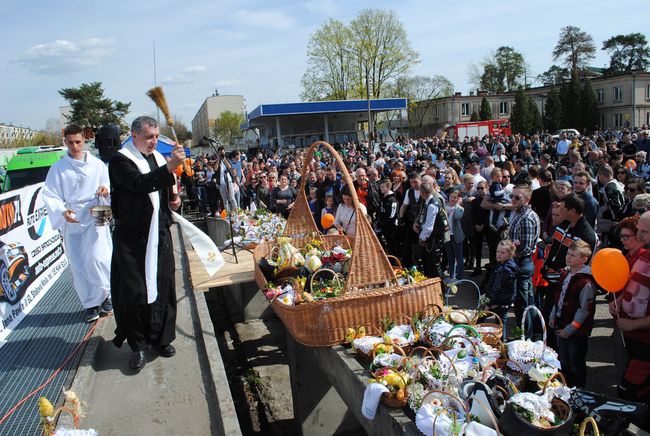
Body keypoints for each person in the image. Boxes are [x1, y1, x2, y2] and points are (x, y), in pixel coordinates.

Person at [109, 116, 185, 371]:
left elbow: (166, 195)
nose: (154, 141)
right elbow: (140, 184)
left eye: (155, 136)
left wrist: (175, 201)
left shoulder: (158, 158)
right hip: (134, 239)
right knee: (137, 293)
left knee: (164, 285)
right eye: (149, 136)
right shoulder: (121, 161)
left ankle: (162, 339)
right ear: (134, 136)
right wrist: (171, 166)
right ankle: (138, 346)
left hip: (159, 233)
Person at [42, 124, 112, 323]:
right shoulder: (58, 168)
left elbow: (107, 183)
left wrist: (104, 190)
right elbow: (50, 194)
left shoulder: (97, 164)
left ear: (84, 141)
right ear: (65, 142)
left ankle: (106, 294)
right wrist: (62, 211)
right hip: (73, 218)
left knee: (101, 258)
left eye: (78, 142)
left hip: (96, 214)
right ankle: (91, 303)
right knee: (80, 263)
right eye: (71, 142)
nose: (75, 146)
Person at [609, 212, 650, 427]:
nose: (639, 236)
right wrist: (621, 300)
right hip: (630, 337)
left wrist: (634, 324)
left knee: (631, 393)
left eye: (643, 231)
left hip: (645, 343)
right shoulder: (643, 255)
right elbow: (633, 284)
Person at [549, 239, 596, 388]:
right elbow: (558, 297)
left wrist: (571, 329)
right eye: (568, 253)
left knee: (576, 363)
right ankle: (567, 388)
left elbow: (584, 310)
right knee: (564, 360)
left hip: (576, 332)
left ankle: (579, 390)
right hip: (561, 324)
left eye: (573, 255)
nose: (568, 257)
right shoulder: (566, 274)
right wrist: (552, 315)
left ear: (584, 259)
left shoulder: (585, 283)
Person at [502, 184, 541, 327]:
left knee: (522, 304)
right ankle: (532, 333)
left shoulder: (526, 218)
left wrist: (508, 254)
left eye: (517, 197)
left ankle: (526, 336)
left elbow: (525, 247)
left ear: (527, 199)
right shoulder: (519, 213)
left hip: (522, 263)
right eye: (512, 196)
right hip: (520, 262)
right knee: (527, 300)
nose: (513, 199)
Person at [413, 181, 448, 279]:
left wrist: (422, 238)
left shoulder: (432, 205)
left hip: (433, 240)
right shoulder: (428, 203)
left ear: (423, 193)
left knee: (433, 266)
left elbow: (429, 226)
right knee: (429, 265)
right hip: (431, 238)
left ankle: (440, 289)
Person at [482, 240, 518, 329]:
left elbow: (495, 288)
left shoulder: (502, 270)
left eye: (502, 252)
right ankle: (502, 341)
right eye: (498, 251)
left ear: (510, 254)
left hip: (497, 301)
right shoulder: (510, 265)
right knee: (501, 323)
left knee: (480, 318)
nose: (499, 254)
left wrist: (487, 304)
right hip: (506, 301)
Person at [445, 189, 465, 281]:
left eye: (455, 197)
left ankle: (459, 277)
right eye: (451, 197)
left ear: (458, 199)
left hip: (457, 236)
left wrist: (456, 206)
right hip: (447, 235)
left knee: (459, 256)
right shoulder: (445, 207)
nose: (453, 199)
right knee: (450, 256)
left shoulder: (460, 208)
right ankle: (451, 275)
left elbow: (457, 217)